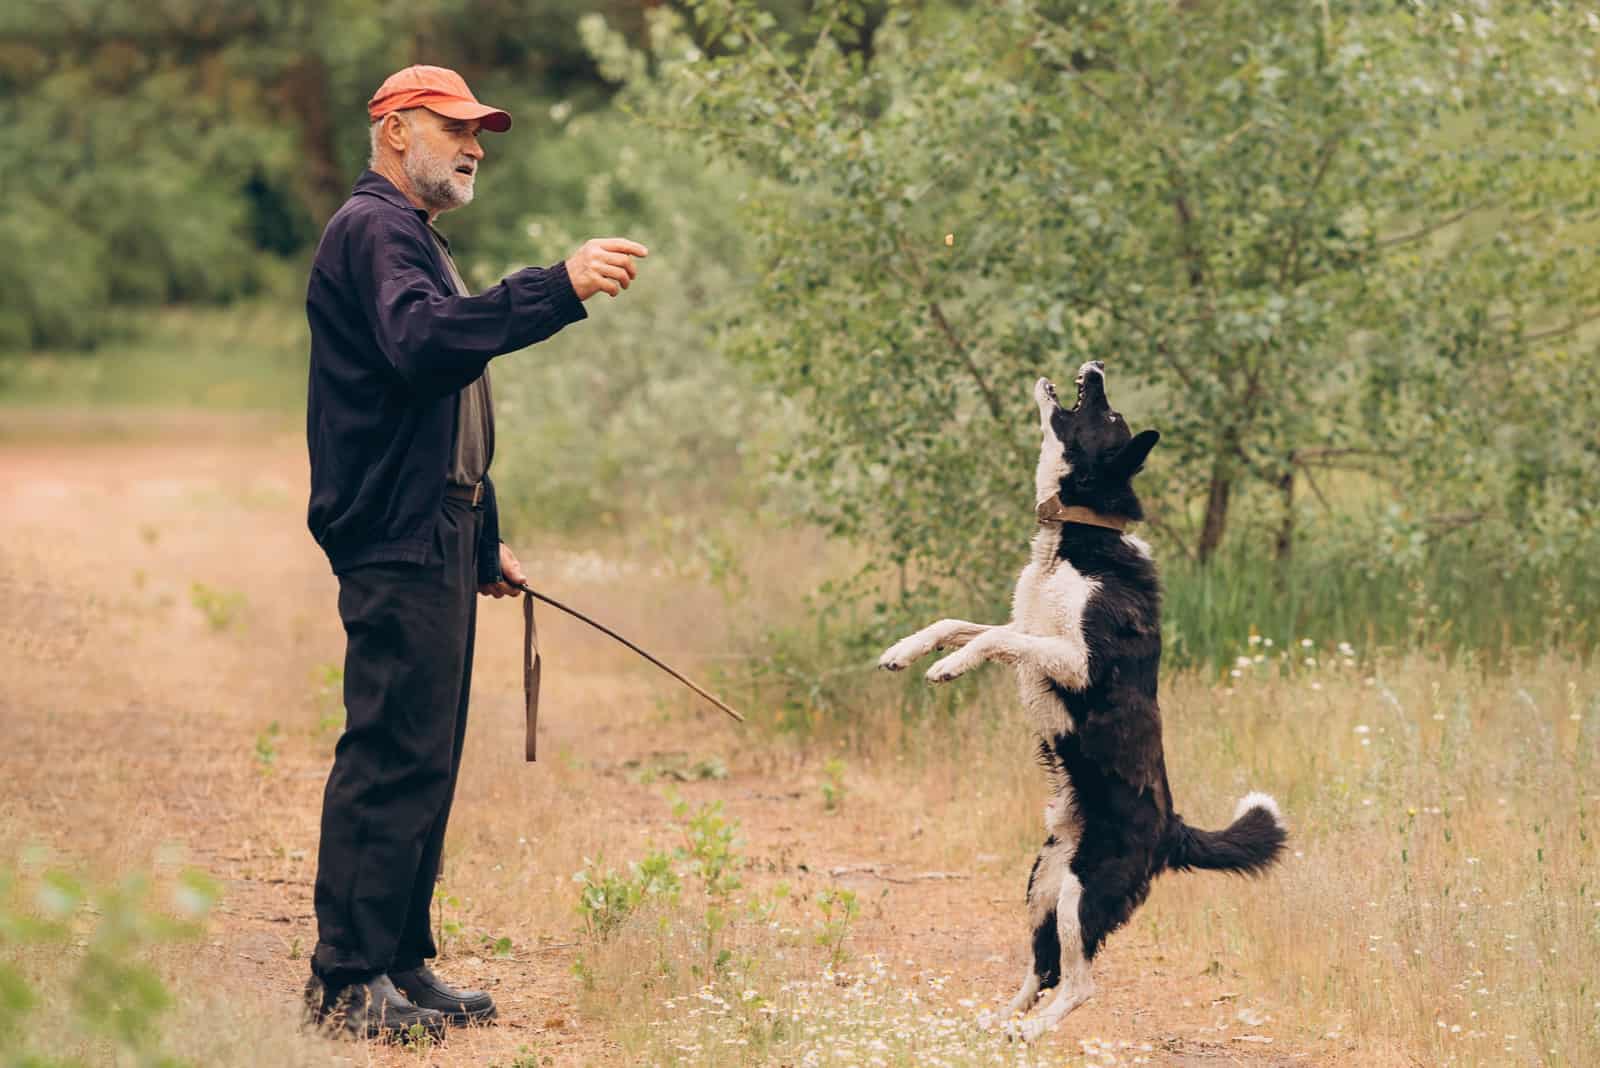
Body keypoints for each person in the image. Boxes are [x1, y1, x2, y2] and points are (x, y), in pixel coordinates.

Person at [301, 64, 647, 1040]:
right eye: (454, 126)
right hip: (394, 532)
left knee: (429, 756)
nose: (474, 144)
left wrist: (485, 536)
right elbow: (423, 347)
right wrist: (558, 286)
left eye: (480, 130)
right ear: (396, 127)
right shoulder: (371, 231)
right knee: (390, 754)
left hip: (440, 529)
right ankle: (344, 981)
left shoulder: (413, 239)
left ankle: (400, 962)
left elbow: (444, 395)